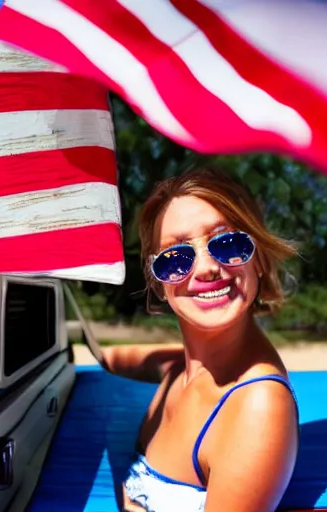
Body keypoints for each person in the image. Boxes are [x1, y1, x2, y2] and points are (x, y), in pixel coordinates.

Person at [102, 167, 299, 512]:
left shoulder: (256, 406)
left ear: (260, 259)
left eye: (228, 243)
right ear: (158, 281)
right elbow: (115, 356)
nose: (206, 268)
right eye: (176, 257)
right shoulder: (181, 366)